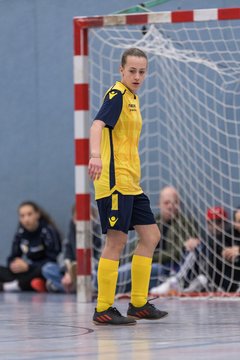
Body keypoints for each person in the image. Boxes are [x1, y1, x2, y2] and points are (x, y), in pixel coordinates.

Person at [88, 47, 168, 325]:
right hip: (114, 181)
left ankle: (138, 304)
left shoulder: (133, 98)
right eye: (131, 70)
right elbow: (97, 125)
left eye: (141, 71)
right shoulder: (117, 95)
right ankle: (103, 308)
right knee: (117, 240)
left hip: (132, 182)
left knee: (151, 236)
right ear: (121, 70)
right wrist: (95, 156)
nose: (136, 76)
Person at [0, 201, 62, 292]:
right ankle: (29, 284)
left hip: (41, 269)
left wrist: (29, 266)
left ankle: (9, 287)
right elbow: (12, 256)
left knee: (45, 269)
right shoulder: (20, 233)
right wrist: (13, 265)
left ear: (37, 214)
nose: (26, 219)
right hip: (27, 270)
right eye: (22, 216)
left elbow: (53, 258)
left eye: (29, 214)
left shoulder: (48, 231)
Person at [42, 205, 102, 293]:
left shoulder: (99, 230)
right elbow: (65, 253)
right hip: (73, 271)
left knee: (120, 273)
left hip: (93, 271)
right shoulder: (72, 229)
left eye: (87, 217)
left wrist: (86, 268)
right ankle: (78, 288)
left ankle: (64, 287)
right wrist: (68, 271)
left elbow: (101, 257)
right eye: (77, 218)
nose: (82, 221)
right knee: (47, 268)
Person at [150, 186, 199, 289]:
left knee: (150, 269)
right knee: (124, 272)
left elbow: (179, 253)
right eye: (166, 203)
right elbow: (134, 251)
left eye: (175, 203)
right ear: (159, 204)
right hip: (147, 264)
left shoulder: (186, 224)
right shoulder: (151, 223)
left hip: (169, 269)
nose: (171, 206)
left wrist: (150, 258)